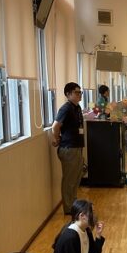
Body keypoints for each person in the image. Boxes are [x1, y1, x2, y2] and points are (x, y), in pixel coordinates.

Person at [51, 82, 85, 215]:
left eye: (80, 92)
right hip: (69, 148)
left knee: (76, 178)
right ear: (68, 94)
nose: (79, 95)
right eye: (77, 92)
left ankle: (73, 204)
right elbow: (55, 126)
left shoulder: (77, 107)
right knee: (69, 180)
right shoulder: (65, 108)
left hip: (77, 147)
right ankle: (68, 208)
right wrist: (57, 138)